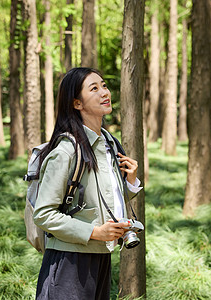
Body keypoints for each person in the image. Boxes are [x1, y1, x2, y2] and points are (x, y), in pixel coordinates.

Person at [33, 67, 143, 299]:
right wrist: (94, 231)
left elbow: (102, 196)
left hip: (101, 256)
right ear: (76, 104)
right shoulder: (65, 151)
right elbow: (43, 213)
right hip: (69, 262)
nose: (105, 92)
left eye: (104, 85)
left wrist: (131, 182)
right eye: (94, 88)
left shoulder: (108, 143)